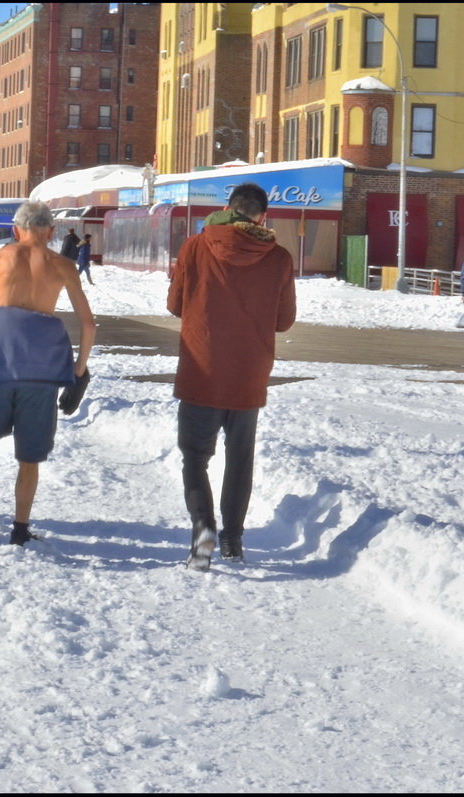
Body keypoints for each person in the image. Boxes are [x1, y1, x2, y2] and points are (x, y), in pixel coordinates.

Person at [0, 200, 95, 546]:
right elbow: (88, 324)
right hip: (40, 370)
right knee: (30, 457)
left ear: (16, 229)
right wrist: (79, 371)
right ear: (51, 232)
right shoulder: (63, 266)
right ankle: (20, 529)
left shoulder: (2, 257)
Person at [167, 182, 296, 570]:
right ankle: (233, 541)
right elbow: (284, 320)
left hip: (201, 367)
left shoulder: (196, 246)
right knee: (239, 458)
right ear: (263, 216)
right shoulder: (279, 258)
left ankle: (203, 528)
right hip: (248, 372)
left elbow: (175, 304)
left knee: (195, 457)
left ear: (227, 207)